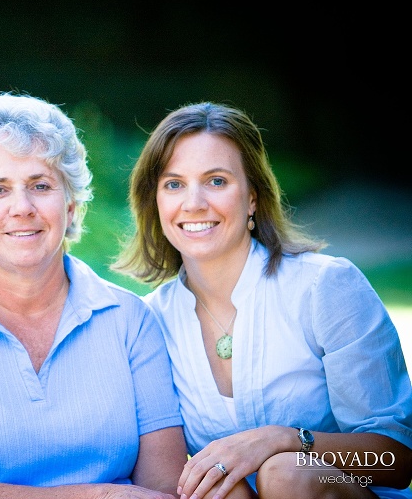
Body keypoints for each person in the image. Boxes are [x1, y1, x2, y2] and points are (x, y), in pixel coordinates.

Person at [0, 91, 189, 499]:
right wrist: (100, 497)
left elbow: (165, 487)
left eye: (40, 185)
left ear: (72, 204)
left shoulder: (129, 319)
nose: (22, 207)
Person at [113, 101, 412, 499]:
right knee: (220, 491)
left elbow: (395, 461)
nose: (194, 202)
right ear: (155, 202)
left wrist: (283, 440)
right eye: (174, 184)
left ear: (252, 197)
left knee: (286, 472)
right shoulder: (149, 321)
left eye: (217, 181)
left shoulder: (324, 286)